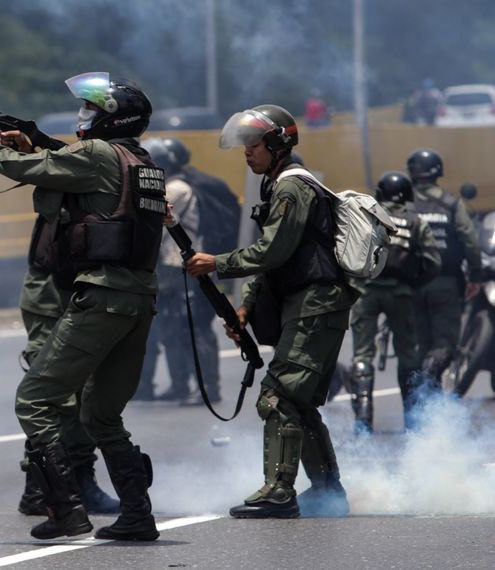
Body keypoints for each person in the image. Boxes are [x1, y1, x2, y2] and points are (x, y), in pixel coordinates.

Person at [0, 72, 162, 541]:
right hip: (137, 299)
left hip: (100, 295)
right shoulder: (138, 160)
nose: (86, 115)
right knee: (101, 414)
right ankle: (138, 515)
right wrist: (31, 147)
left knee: (35, 398)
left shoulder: (98, 153)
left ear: (113, 118)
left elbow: (31, 172)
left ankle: (65, 509)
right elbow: (60, 172)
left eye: (93, 110)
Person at [185, 105, 353, 518]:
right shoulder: (278, 184)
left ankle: (279, 491)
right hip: (311, 303)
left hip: (316, 303)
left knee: (277, 395)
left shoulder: (291, 188)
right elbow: (274, 261)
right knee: (299, 402)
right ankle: (328, 492)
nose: (246, 152)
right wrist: (244, 306)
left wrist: (217, 264)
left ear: (278, 144)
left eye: (254, 144)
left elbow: (271, 250)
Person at [16, 250, 119, 516]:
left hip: (87, 285)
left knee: (82, 386)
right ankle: (47, 488)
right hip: (52, 291)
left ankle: (51, 487)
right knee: (51, 390)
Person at [347, 171, 441, 433]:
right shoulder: (415, 222)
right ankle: (411, 417)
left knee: (362, 354)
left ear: (380, 194)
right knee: (408, 356)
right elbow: (433, 263)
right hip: (401, 295)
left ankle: (363, 417)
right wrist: (413, 284)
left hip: (365, 293)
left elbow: (346, 253)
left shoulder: (366, 217)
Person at [133, 137, 221, 404]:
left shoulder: (177, 188)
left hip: (185, 269)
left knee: (194, 328)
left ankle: (209, 387)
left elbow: (146, 214)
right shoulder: (172, 186)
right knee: (170, 328)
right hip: (171, 269)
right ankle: (180, 384)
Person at [407, 148, 482, 387]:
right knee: (445, 346)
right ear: (438, 172)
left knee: (422, 344)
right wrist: (475, 276)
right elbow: (470, 240)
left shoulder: (403, 204)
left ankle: (424, 402)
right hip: (445, 282)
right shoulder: (451, 204)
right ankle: (428, 384)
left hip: (410, 285)